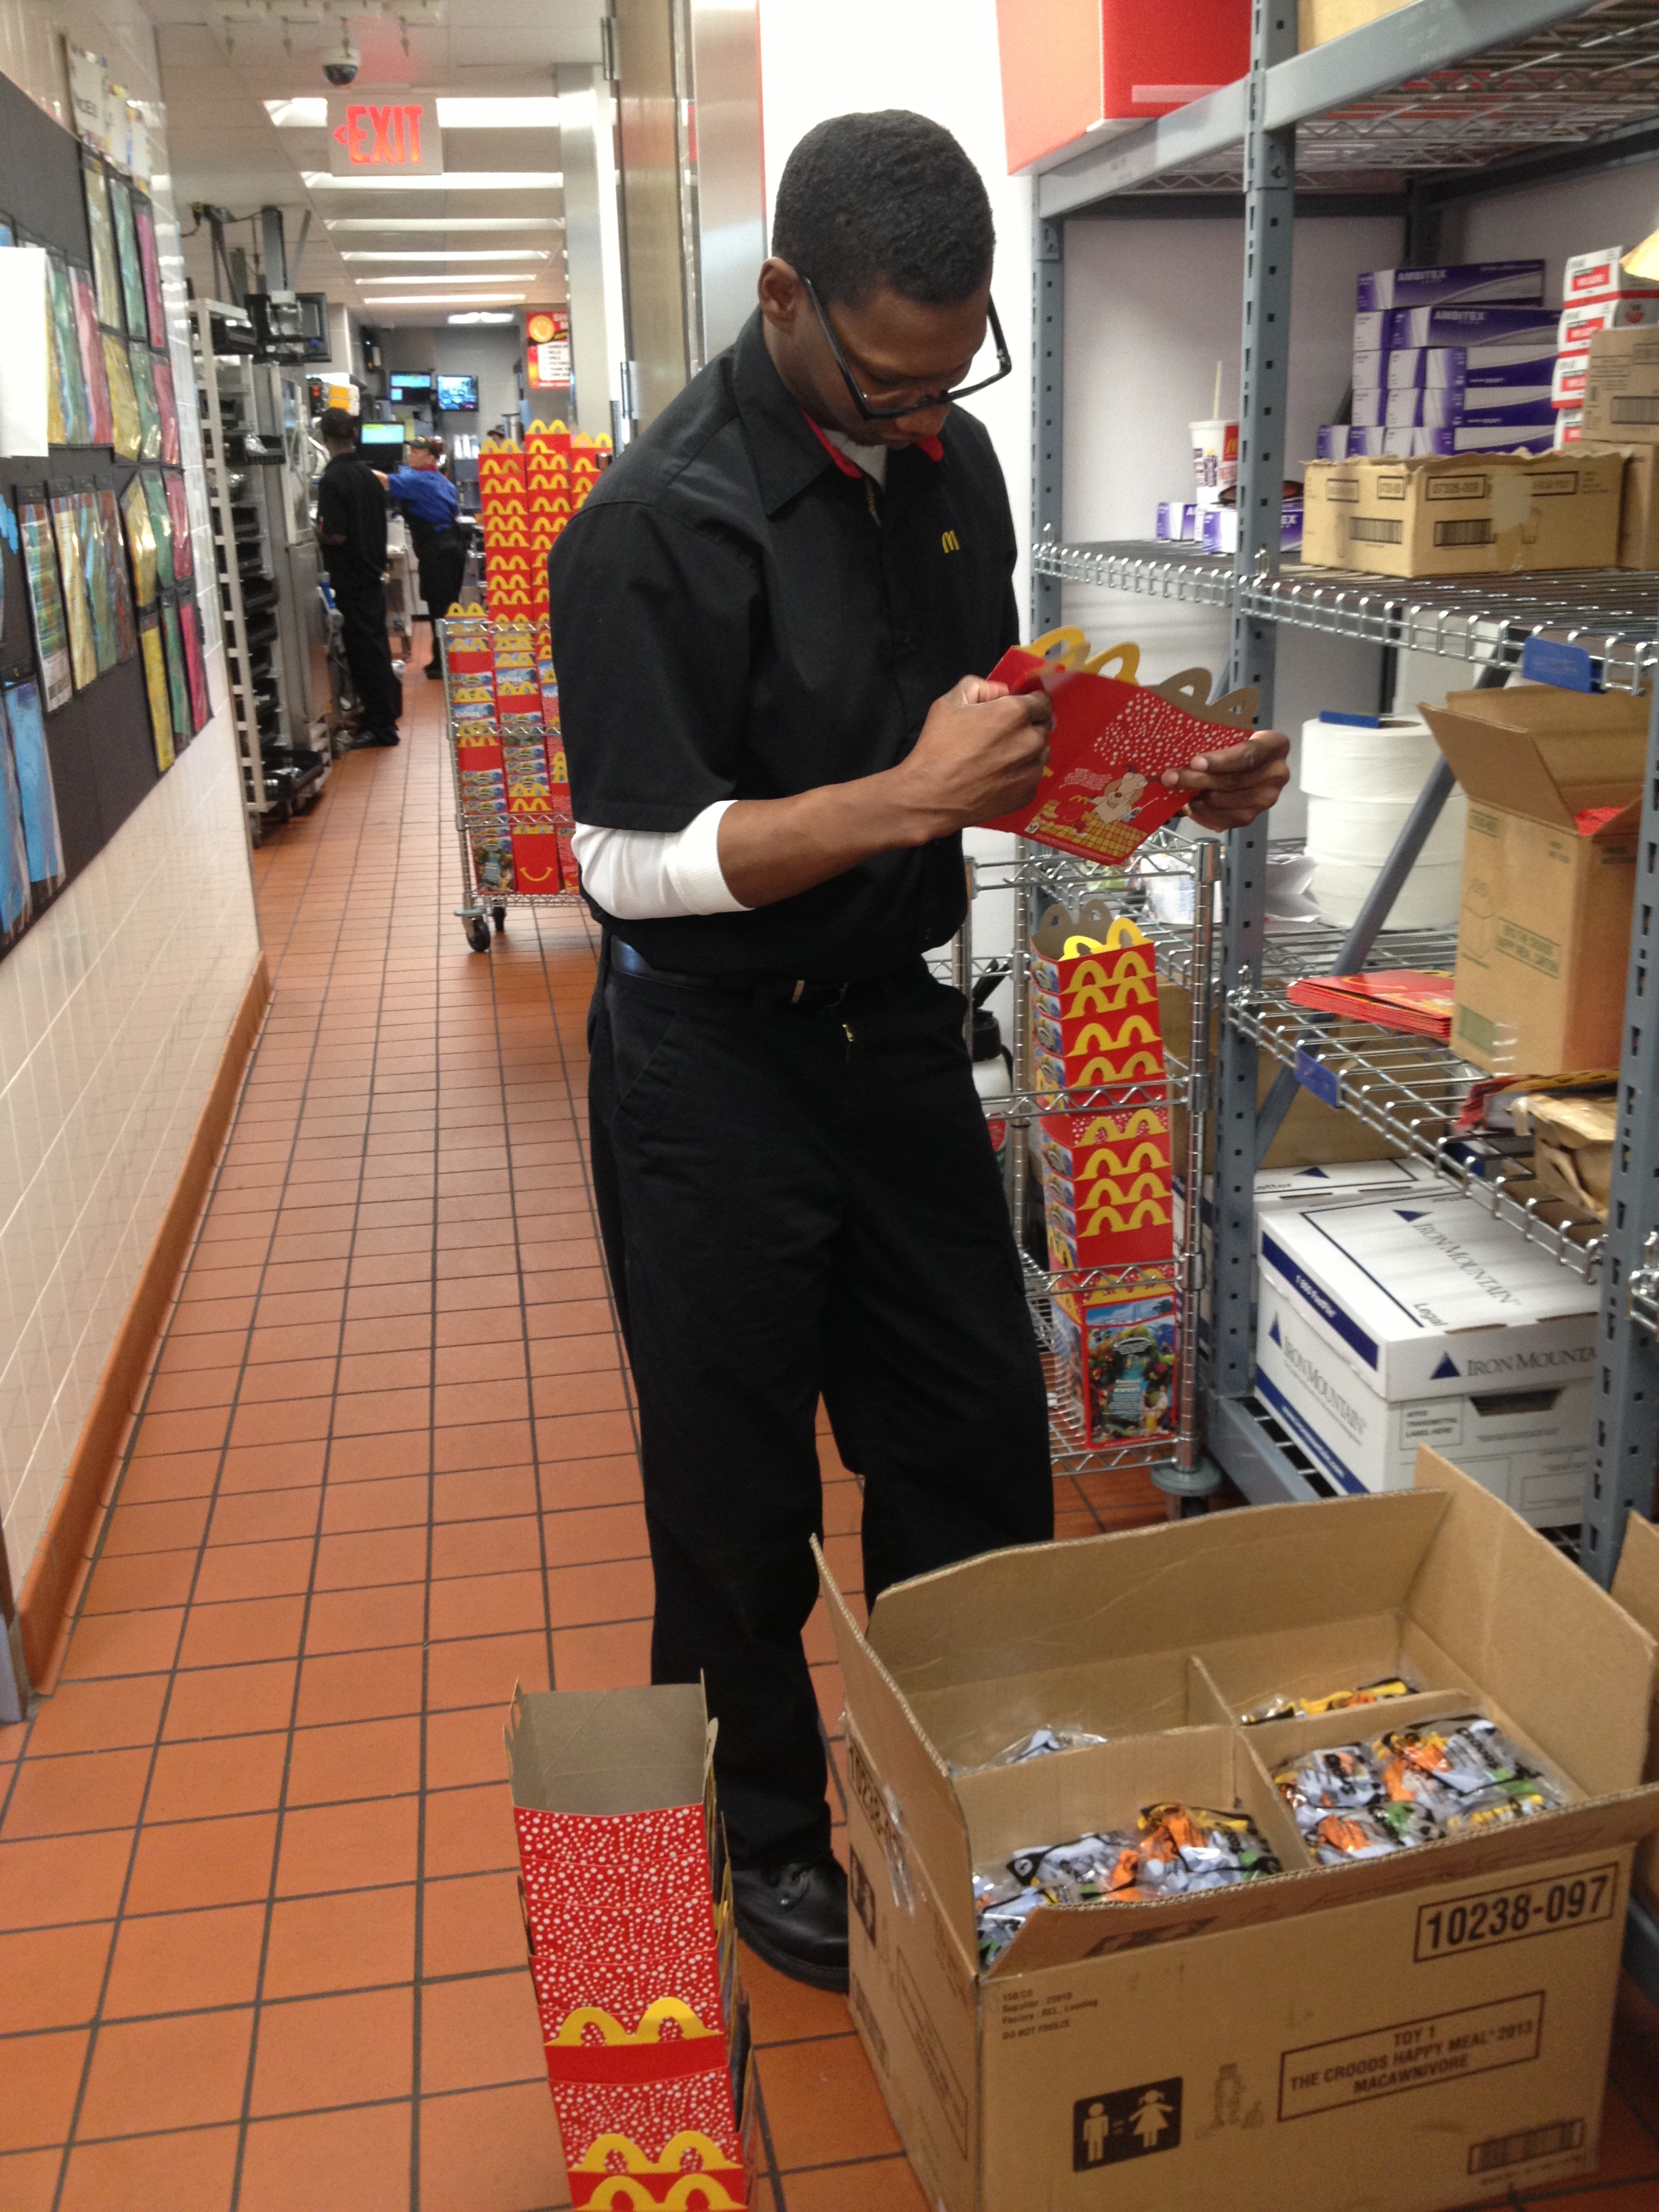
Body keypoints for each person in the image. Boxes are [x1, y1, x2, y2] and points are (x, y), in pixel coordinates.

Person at [546, 111, 1290, 1992]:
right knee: (733, 1501)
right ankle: (775, 1833)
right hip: (708, 1068)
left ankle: (959, 1777)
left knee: (969, 1440)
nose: (918, 412)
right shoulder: (652, 522)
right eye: (884, 375)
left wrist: (1156, 785)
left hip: (895, 1045)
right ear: (784, 295)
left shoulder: (950, 468)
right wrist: (900, 801)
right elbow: (621, 860)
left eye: (951, 372)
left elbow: (1000, 740)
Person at [314, 407, 402, 747]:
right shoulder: (368, 476)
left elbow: (336, 535)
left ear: (324, 438)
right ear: (354, 435)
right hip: (371, 574)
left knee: (366, 655)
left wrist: (315, 534)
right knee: (376, 648)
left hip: (350, 579)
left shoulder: (333, 480)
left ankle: (382, 728)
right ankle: (378, 715)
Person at [386, 436, 468, 676]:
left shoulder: (417, 480)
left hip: (438, 550)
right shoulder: (443, 482)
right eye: (410, 450)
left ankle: (444, 664)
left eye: (418, 451)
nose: (411, 454)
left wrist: (353, 468)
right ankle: (444, 659)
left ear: (431, 458)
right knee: (447, 604)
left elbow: (383, 481)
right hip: (452, 546)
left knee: (439, 607)